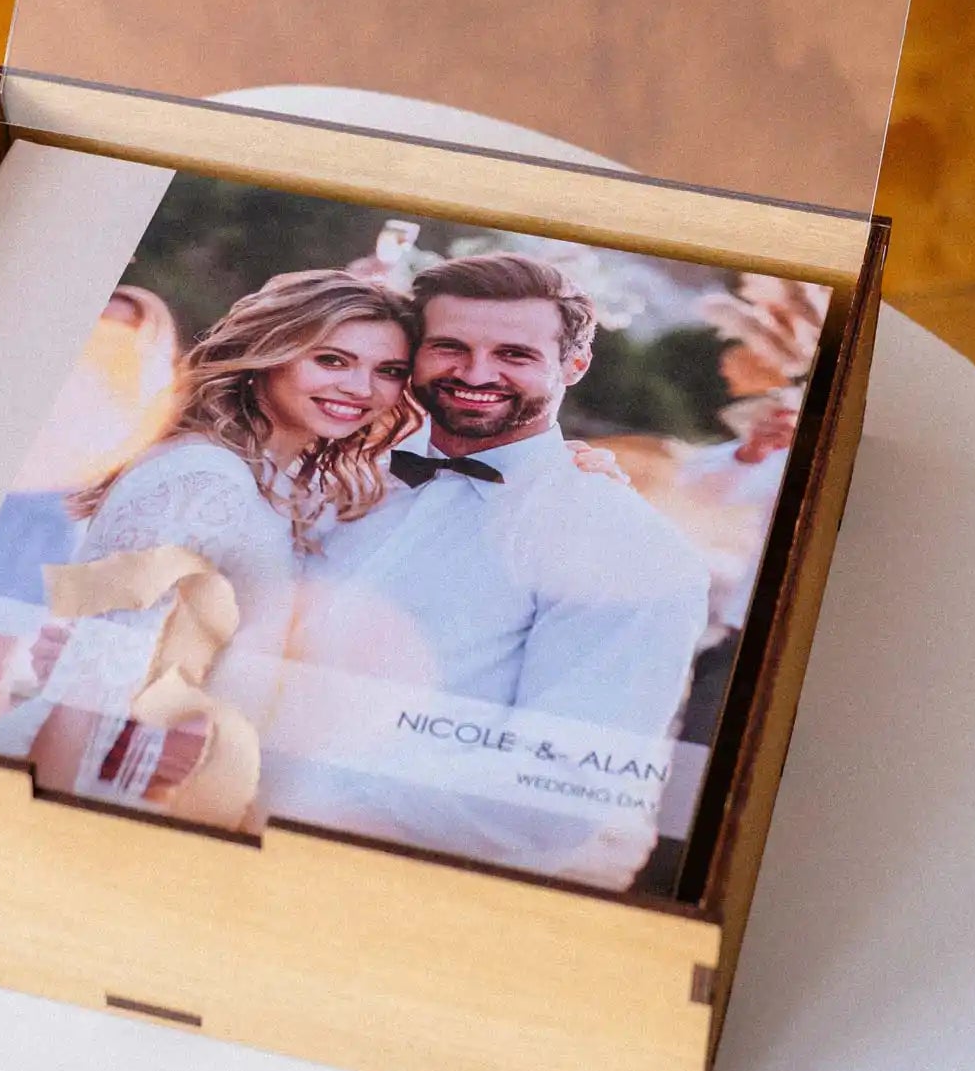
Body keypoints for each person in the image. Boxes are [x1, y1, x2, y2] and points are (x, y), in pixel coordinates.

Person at [282, 251, 712, 890]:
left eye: (515, 354)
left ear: (575, 365)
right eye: (449, 347)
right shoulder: (342, 470)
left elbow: (552, 795)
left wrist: (285, 798)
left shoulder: (628, 548)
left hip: (386, 882)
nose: (475, 373)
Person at [0, 270, 416, 827]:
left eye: (388, 371)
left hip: (164, 785)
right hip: (83, 778)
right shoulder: (204, 477)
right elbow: (84, 691)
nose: (361, 388)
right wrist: (52, 820)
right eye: (331, 360)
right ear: (270, 351)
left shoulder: (283, 481)